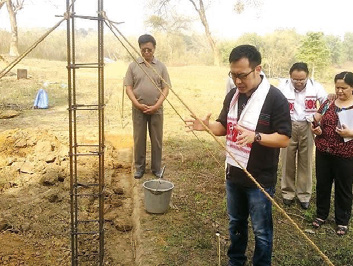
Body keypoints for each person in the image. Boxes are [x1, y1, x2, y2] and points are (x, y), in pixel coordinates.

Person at [185, 44, 291, 265]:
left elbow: (284, 138)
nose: (237, 81)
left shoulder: (275, 98)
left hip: (259, 178)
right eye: (233, 75)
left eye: (242, 75)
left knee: (261, 231)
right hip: (234, 173)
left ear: (258, 69)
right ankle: (236, 261)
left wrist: (257, 137)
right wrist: (205, 127)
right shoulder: (233, 95)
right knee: (236, 223)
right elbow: (223, 127)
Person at [311, 71, 353, 236]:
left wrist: (351, 134)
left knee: (343, 187)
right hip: (324, 151)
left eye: (344, 88)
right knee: (323, 184)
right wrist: (316, 128)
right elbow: (317, 117)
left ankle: (342, 220)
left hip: (347, 154)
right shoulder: (329, 101)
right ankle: (321, 214)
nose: (340, 91)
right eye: (337, 87)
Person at [278, 62, 328, 209]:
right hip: (288, 125)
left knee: (305, 161)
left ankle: (304, 194)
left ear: (307, 76)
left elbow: (326, 102)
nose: (298, 82)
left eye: (301, 79)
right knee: (287, 159)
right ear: (290, 77)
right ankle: (288, 193)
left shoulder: (316, 86)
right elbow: (274, 102)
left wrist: (318, 116)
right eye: (295, 79)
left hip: (308, 126)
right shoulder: (283, 86)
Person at [124, 34, 171, 179]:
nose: (146, 53)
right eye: (143, 50)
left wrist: (157, 105)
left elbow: (166, 88)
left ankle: (156, 168)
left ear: (154, 49)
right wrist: (137, 104)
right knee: (139, 139)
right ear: (139, 49)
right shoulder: (133, 66)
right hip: (138, 109)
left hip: (156, 110)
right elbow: (128, 87)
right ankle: (139, 168)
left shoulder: (161, 67)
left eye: (149, 50)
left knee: (156, 139)